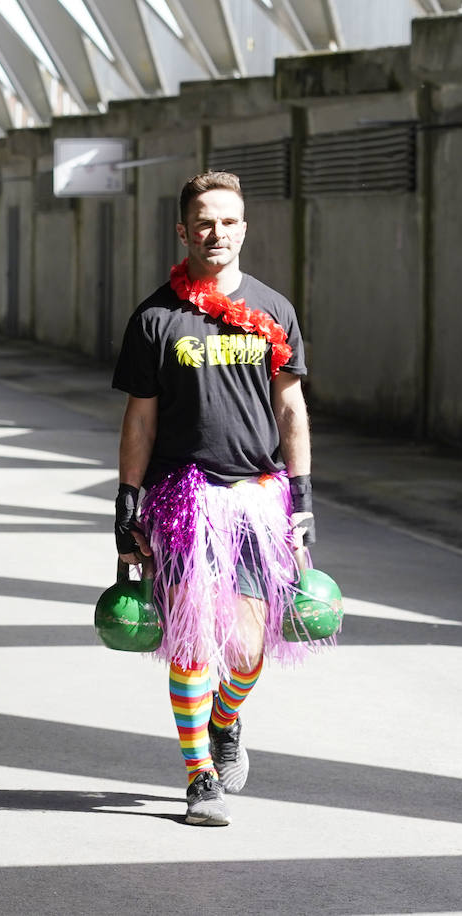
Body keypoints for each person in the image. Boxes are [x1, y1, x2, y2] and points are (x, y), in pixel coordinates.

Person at [112, 170, 320, 827]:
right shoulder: (155, 317)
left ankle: (226, 719)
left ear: (244, 228)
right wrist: (126, 503)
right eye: (203, 222)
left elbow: (290, 406)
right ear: (184, 230)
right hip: (182, 497)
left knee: (247, 651)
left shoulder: (274, 310)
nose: (216, 233)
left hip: (258, 495)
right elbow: (140, 420)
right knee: (192, 641)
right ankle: (199, 774)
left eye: (228, 221)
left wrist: (302, 495)